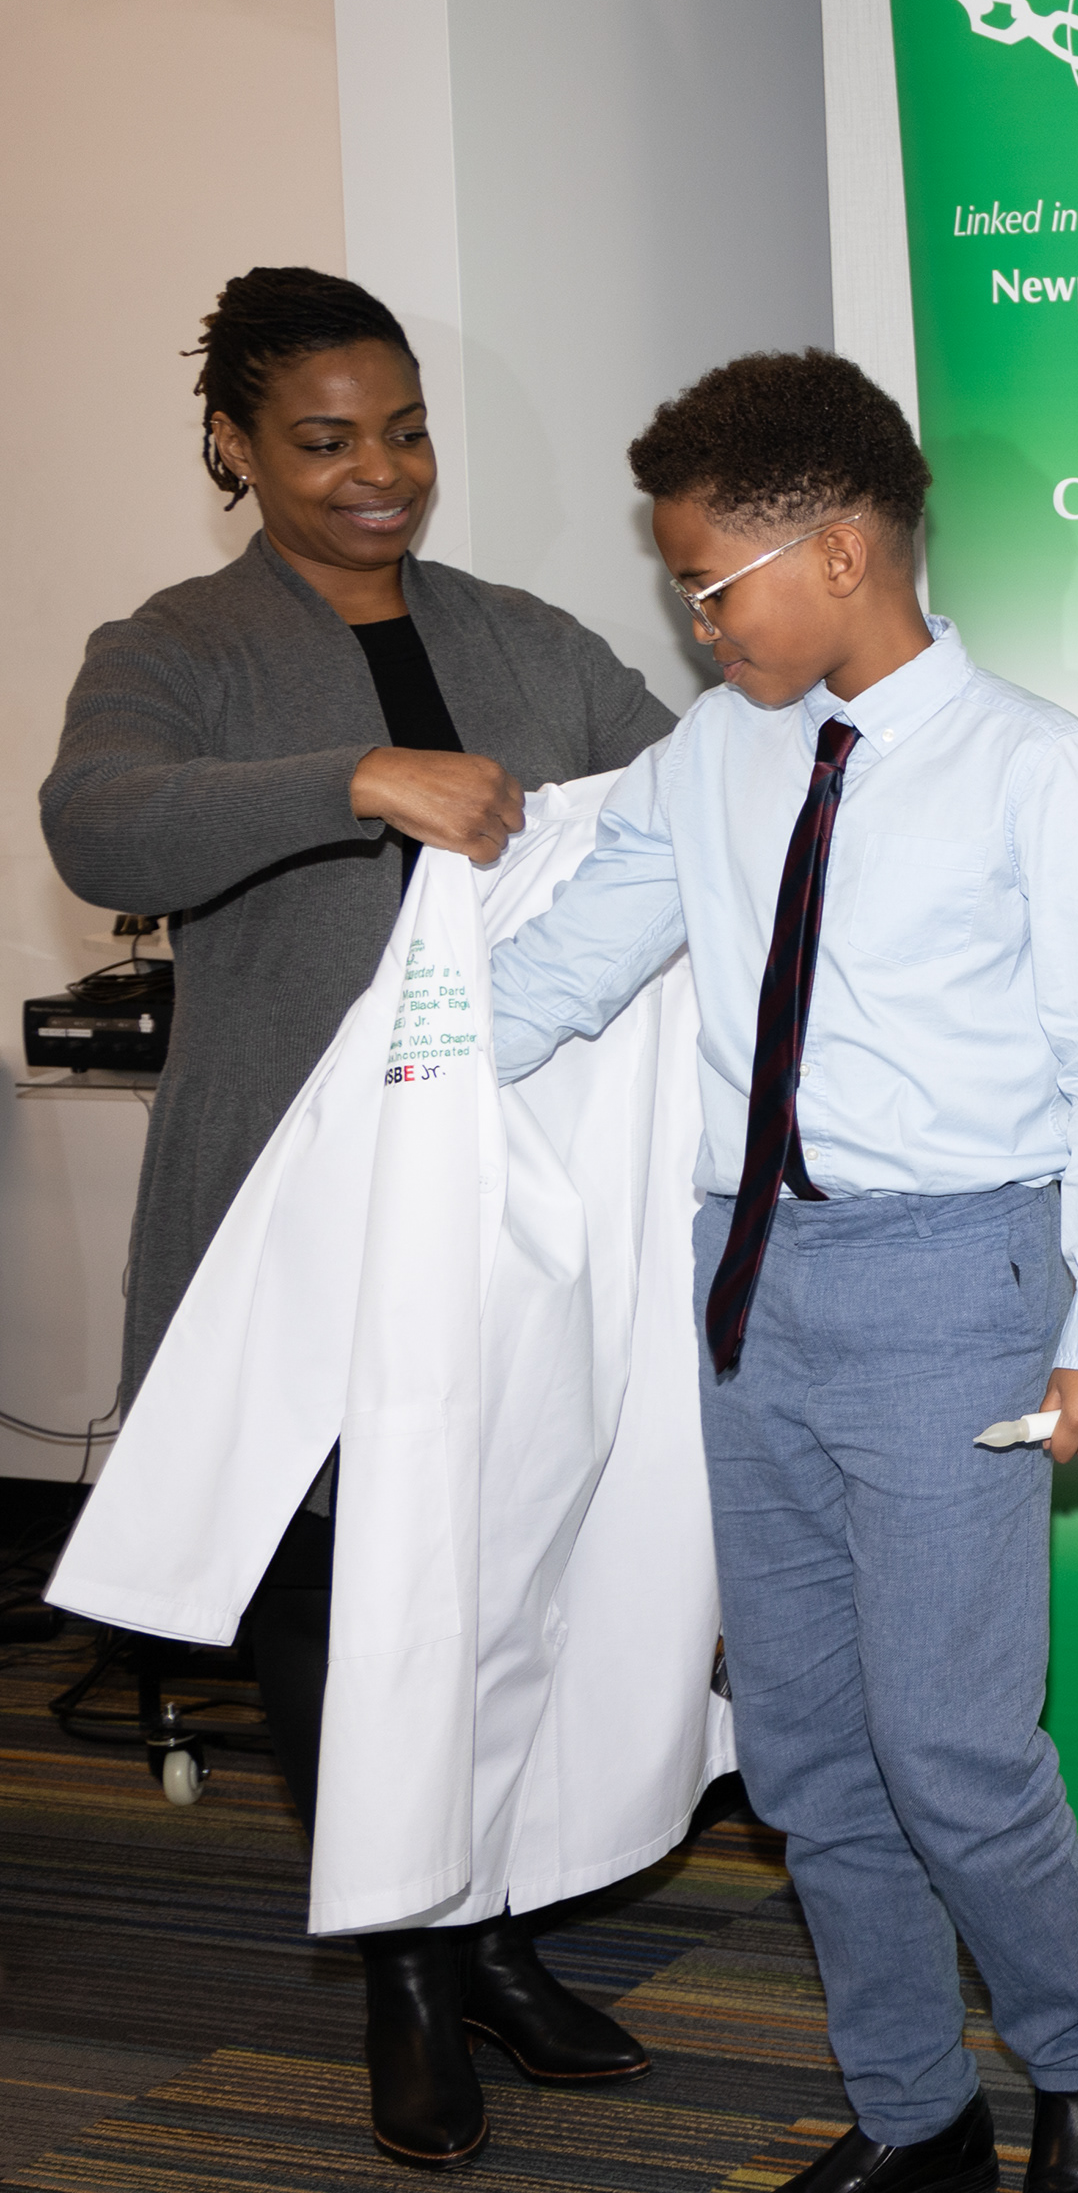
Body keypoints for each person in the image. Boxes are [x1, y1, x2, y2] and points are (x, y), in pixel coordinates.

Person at [486, 349, 1078, 2193]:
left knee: (949, 1743)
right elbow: (568, 970)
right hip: (746, 1288)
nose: (695, 621)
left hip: (955, 1286)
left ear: (846, 551)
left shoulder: (1032, 763)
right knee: (800, 1756)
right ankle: (912, 2111)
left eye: (712, 585)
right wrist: (393, 1064)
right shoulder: (707, 758)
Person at [39, 266, 676, 2167]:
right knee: (333, 1602)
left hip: (507, 1205)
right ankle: (403, 1967)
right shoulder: (176, 642)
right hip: (287, 1216)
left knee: (496, 1575)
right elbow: (101, 825)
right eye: (325, 441)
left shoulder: (526, 636)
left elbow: (679, 800)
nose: (380, 473)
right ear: (235, 446)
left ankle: (490, 1932)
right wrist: (351, 782)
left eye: (404, 432)